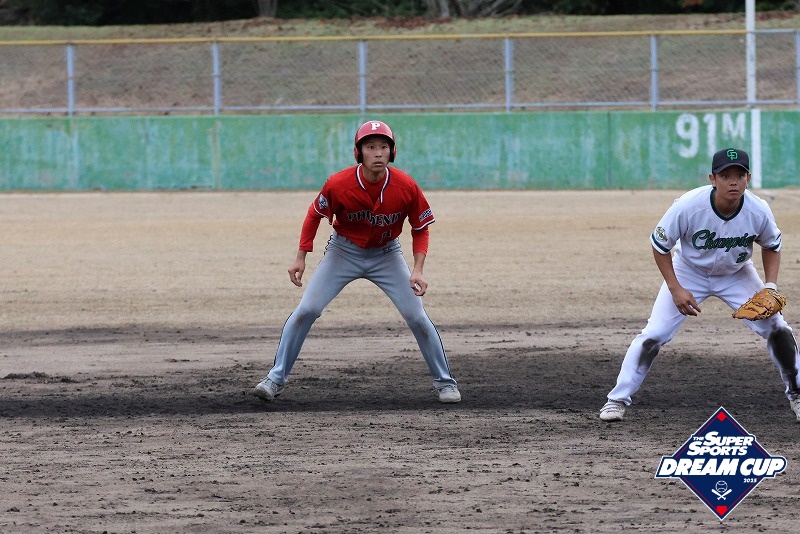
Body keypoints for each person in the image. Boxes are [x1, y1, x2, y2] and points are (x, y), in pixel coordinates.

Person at [253, 120, 461, 404]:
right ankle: (274, 379)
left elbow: (420, 228)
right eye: (370, 147)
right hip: (343, 252)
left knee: (416, 316)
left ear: (392, 152)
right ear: (358, 152)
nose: (378, 153)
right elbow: (314, 214)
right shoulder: (339, 184)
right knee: (308, 309)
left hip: (387, 254)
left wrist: (418, 269)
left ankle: (446, 383)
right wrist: (301, 257)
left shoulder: (406, 186)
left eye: (383, 147)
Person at [599, 147, 800, 422]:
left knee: (778, 328)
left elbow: (772, 245)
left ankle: (797, 394)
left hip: (737, 273)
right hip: (688, 271)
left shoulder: (758, 210)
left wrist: (770, 286)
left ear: (748, 178)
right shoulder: (688, 206)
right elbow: (660, 246)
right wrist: (675, 288)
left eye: (739, 175)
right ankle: (616, 400)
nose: (733, 181)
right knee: (654, 333)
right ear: (712, 179)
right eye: (725, 175)